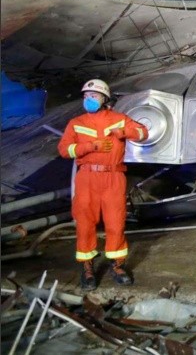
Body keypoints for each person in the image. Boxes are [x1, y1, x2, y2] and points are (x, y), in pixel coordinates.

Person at [57, 79, 149, 290]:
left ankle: (117, 265)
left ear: (105, 98)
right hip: (87, 178)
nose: (89, 99)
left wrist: (125, 132)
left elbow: (144, 132)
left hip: (113, 178)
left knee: (115, 222)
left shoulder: (119, 119)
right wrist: (90, 146)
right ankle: (87, 267)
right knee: (85, 222)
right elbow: (64, 150)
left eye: (94, 96)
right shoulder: (76, 123)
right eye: (86, 96)